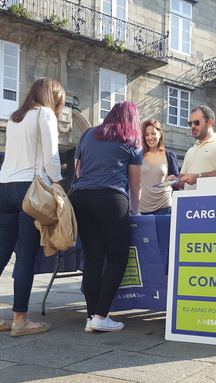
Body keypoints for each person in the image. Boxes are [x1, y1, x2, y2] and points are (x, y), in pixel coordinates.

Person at [0, 77, 65, 337]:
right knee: (25, 256)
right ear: (52, 97)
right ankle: (21, 320)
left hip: (2, 187)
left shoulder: (14, 117)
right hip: (29, 188)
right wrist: (57, 183)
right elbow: (51, 156)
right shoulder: (45, 114)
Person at [69, 101, 143, 332]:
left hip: (81, 198)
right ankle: (102, 315)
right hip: (111, 199)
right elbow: (135, 182)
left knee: (92, 258)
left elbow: (78, 170)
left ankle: (92, 316)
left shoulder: (88, 134)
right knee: (117, 259)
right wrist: (136, 211)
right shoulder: (131, 141)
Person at [168, 105, 216, 190]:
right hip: (188, 200)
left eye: (196, 122)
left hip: (211, 199)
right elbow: (183, 180)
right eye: (190, 123)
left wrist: (199, 177)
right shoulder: (191, 150)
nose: (193, 126)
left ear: (210, 122)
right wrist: (175, 180)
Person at [139, 118, 179, 215]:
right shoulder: (137, 156)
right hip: (142, 208)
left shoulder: (169, 155)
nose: (150, 137)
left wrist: (174, 179)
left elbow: (177, 181)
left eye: (153, 133)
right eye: (146, 135)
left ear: (160, 133)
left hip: (165, 206)